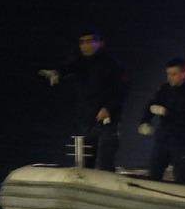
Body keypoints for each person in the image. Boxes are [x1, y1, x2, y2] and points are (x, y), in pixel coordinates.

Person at [38, 30, 128, 171]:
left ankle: (106, 181)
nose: (85, 46)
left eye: (90, 41)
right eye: (82, 42)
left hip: (107, 119)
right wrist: (57, 73)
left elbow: (120, 90)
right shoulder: (80, 61)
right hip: (87, 118)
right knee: (87, 159)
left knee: (105, 157)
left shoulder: (112, 64)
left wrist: (108, 108)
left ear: (100, 43)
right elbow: (68, 66)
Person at [138, 58, 185, 184]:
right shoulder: (165, 89)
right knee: (154, 172)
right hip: (163, 139)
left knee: (183, 177)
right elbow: (152, 104)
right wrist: (145, 121)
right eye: (168, 74)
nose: (170, 77)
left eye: (174, 74)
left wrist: (167, 113)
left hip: (182, 142)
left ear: (183, 74)